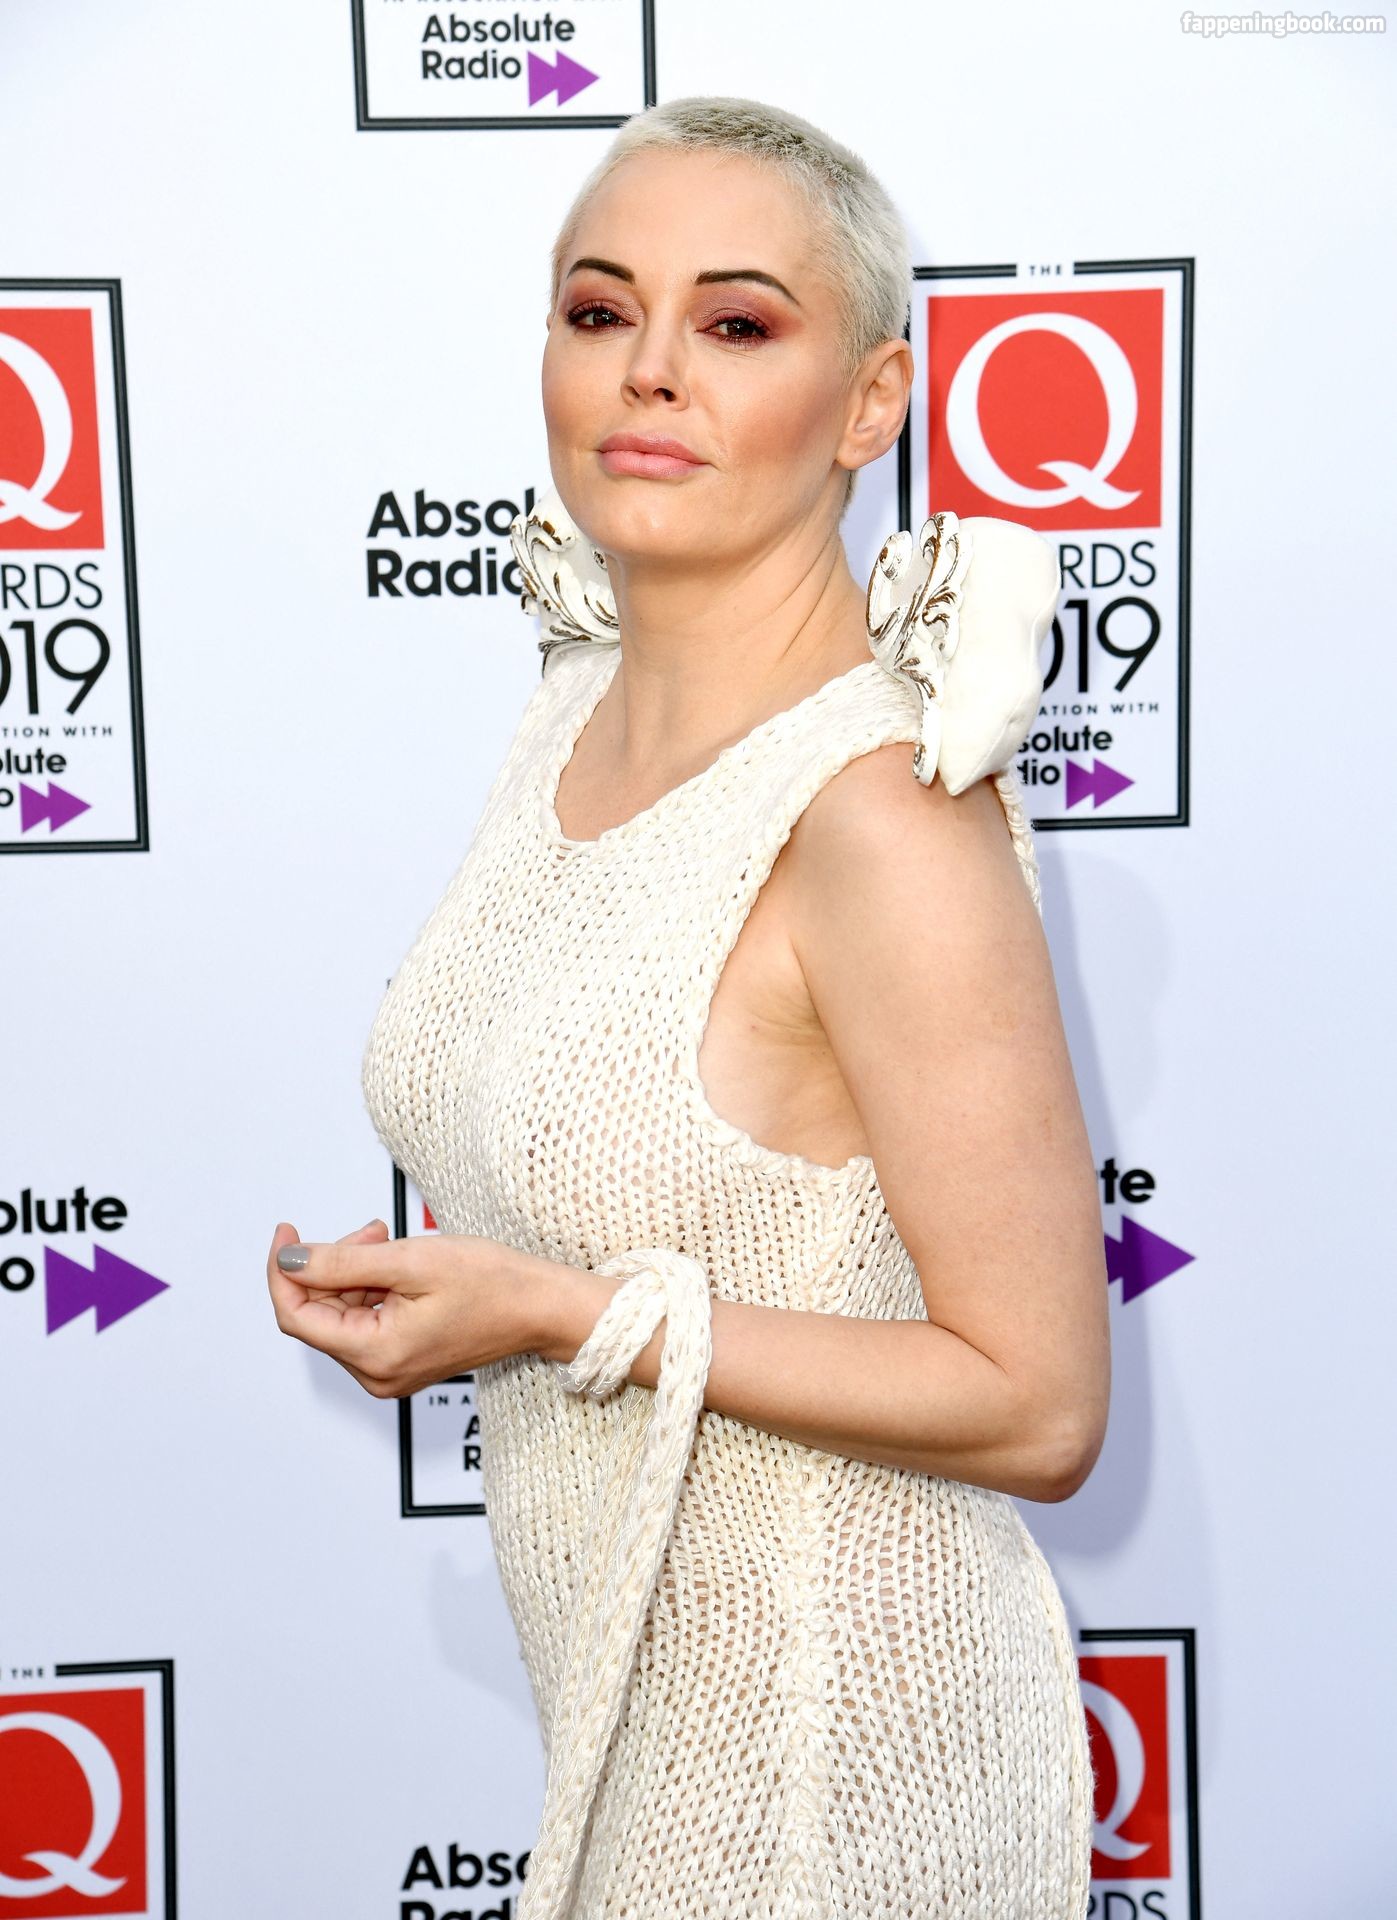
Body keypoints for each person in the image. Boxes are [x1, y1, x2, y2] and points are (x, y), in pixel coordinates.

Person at [268, 95, 1109, 1920]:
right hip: (636, 1741)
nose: (649, 370)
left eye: (734, 323)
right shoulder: (569, 715)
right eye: (600, 311)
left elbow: (1039, 1403)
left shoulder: (882, 823)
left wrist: (556, 1314)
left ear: (868, 406)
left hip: (838, 1785)